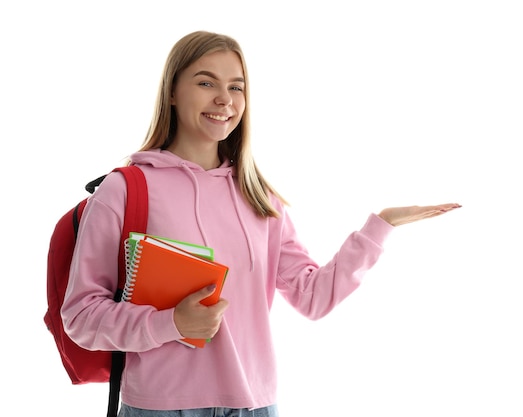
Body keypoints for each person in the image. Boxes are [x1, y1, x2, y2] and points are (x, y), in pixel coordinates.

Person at [61, 30, 461, 417]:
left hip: (257, 404)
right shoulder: (127, 189)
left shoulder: (259, 197)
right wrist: (170, 323)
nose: (224, 99)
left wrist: (379, 229)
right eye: (206, 82)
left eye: (237, 87)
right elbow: (80, 317)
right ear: (171, 92)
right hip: (161, 407)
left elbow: (313, 298)